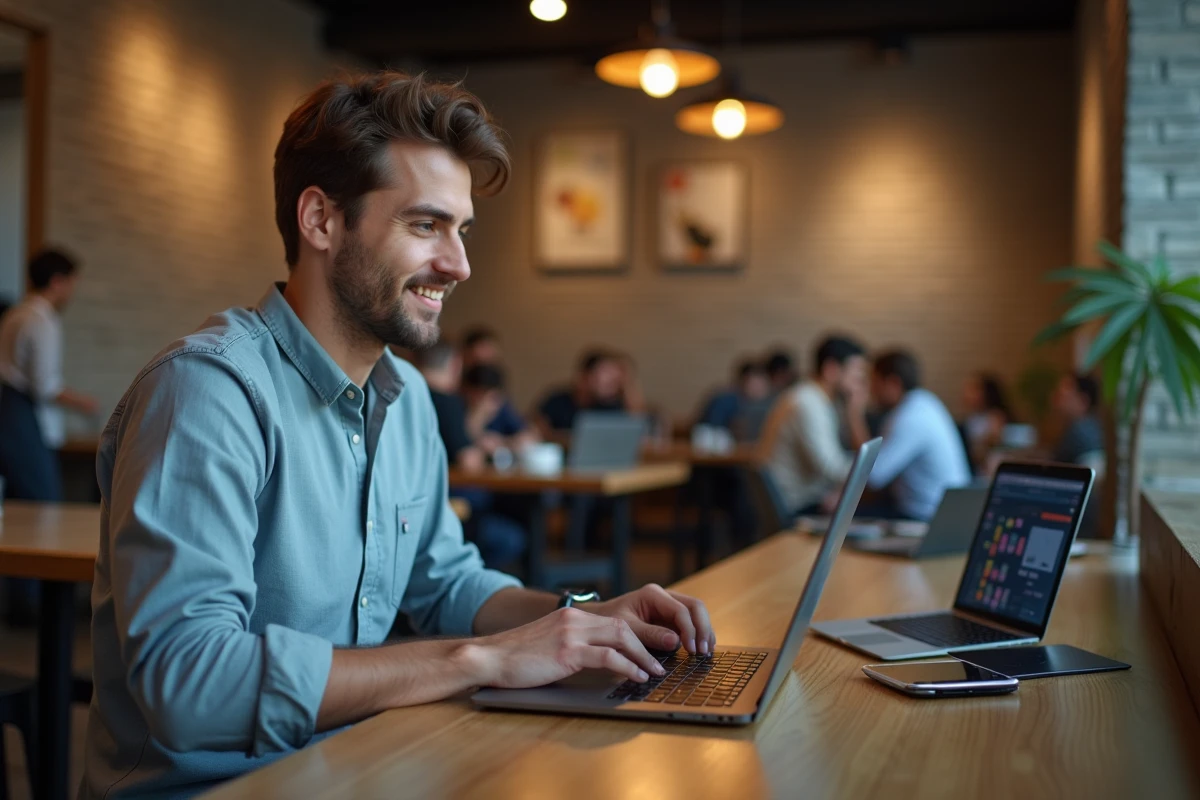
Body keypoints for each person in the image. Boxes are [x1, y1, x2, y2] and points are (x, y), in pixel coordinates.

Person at [83, 72, 714, 799]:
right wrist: (479, 660)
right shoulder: (207, 393)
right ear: (320, 220)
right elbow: (190, 685)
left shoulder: (407, 399)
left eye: (461, 230)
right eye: (424, 226)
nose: (459, 264)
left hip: (356, 765)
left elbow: (447, 583)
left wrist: (586, 620)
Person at [0, 248, 98, 501]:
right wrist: (83, 402)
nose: (72, 292)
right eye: (71, 284)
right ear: (57, 281)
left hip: (7, 411)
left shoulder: (15, 313)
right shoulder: (42, 321)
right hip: (24, 418)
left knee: (16, 502)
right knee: (42, 503)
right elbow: (45, 386)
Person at [417, 344, 525, 570]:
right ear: (455, 365)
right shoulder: (448, 402)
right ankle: (471, 578)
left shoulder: (404, 394)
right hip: (450, 508)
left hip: (416, 507)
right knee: (512, 537)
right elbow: (468, 461)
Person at [761, 336, 870, 516]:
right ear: (831, 369)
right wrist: (873, 472)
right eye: (856, 373)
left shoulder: (816, 399)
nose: (860, 382)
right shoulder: (808, 403)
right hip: (796, 506)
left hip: (803, 499)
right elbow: (832, 468)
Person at [866, 350, 971, 521]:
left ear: (893, 382)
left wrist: (853, 413)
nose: (871, 390)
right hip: (943, 511)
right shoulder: (924, 402)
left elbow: (873, 477)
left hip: (928, 517)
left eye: (874, 382)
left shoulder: (910, 417)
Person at [535, 348, 629, 437]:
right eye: (606, 373)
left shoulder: (611, 406)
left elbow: (632, 430)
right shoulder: (557, 401)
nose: (611, 381)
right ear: (586, 375)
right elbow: (537, 431)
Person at [460, 325, 530, 439]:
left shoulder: (497, 396)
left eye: (490, 360)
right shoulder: (452, 396)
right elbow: (460, 437)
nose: (484, 370)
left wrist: (502, 442)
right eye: (478, 361)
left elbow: (523, 433)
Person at [462, 363, 537, 454]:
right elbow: (463, 438)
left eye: (492, 397)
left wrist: (502, 442)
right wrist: (479, 416)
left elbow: (528, 437)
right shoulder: (458, 408)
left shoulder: (502, 408)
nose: (485, 402)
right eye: (479, 395)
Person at [697, 358, 773, 442]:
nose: (760, 388)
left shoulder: (762, 404)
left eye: (763, 384)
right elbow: (711, 431)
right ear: (743, 381)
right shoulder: (726, 400)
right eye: (756, 384)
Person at [960, 372, 1014, 471]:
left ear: (987, 392)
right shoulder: (972, 418)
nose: (968, 393)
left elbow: (989, 447)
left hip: (990, 468)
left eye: (974, 389)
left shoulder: (995, 417)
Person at [1050, 373, 1104, 466]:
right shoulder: (1095, 427)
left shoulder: (1077, 432)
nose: (1056, 401)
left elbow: (1054, 466)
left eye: (1064, 396)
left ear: (1084, 401)